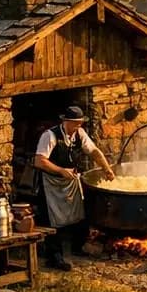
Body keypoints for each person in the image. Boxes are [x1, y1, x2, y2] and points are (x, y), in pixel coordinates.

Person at [33, 106, 114, 270]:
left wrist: (107, 168)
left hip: (70, 181)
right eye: (75, 123)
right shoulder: (50, 136)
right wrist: (60, 170)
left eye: (80, 123)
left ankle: (78, 247)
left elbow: (95, 152)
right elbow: (39, 161)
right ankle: (54, 256)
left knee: (78, 215)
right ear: (66, 121)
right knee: (53, 220)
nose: (78, 126)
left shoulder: (80, 134)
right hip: (52, 184)